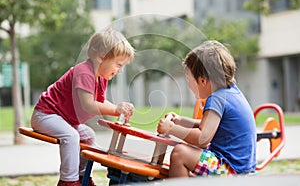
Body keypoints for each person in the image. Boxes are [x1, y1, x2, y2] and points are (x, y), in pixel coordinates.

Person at [31, 28, 135, 186]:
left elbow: (99, 101)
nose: (120, 70)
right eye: (119, 65)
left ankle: (82, 177)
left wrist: (117, 109)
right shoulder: (84, 72)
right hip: (46, 115)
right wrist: (115, 109)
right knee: (72, 136)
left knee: (89, 135)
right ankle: (68, 181)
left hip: (63, 120)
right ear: (101, 57)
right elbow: (89, 105)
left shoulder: (100, 77)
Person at [157, 40, 256, 177]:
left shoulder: (216, 98)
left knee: (180, 153)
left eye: (188, 79)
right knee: (190, 155)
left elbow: (202, 139)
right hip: (240, 170)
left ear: (202, 81)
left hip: (231, 171)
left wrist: (171, 129)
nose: (188, 84)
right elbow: (207, 127)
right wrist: (179, 120)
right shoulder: (230, 93)